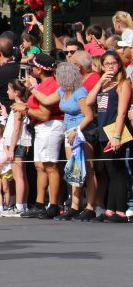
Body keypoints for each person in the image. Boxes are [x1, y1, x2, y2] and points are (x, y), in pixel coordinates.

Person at [29, 61, 96, 220]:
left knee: (87, 170)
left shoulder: (79, 92)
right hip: (68, 132)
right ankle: (74, 205)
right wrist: (32, 87)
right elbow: (45, 100)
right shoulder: (62, 90)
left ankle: (90, 206)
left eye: (58, 75)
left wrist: (77, 130)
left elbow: (89, 115)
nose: (56, 77)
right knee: (74, 170)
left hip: (82, 132)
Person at [86, 50, 132, 222]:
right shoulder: (104, 84)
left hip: (116, 130)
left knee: (117, 171)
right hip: (103, 130)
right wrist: (99, 83)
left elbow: (121, 113)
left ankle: (120, 210)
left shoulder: (123, 83)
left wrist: (117, 136)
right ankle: (110, 209)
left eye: (113, 63)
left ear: (119, 64)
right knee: (109, 170)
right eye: (107, 64)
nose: (110, 67)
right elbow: (89, 101)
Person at [24, 53, 65, 219]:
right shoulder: (43, 84)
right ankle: (40, 203)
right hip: (41, 128)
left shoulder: (50, 85)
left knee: (50, 165)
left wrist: (25, 109)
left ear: (39, 69)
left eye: (34, 66)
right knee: (40, 166)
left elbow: (45, 113)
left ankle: (54, 204)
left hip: (50, 126)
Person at [1, 80, 33, 217]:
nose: (7, 92)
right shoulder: (16, 107)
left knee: (18, 176)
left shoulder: (18, 108)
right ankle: (22, 204)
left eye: (9, 89)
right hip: (18, 143)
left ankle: (20, 206)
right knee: (21, 176)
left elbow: (16, 130)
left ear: (17, 92)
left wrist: (11, 149)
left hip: (17, 144)